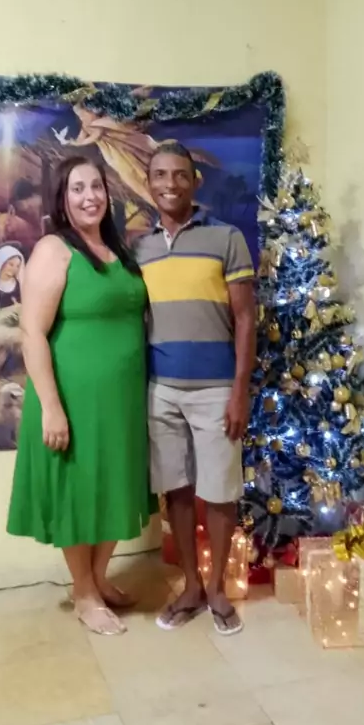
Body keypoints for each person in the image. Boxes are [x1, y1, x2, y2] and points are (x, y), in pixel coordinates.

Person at [7, 154, 153, 636]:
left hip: (121, 401)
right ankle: (85, 592)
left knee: (114, 485)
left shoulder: (116, 249)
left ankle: (99, 578)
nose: (90, 196)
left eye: (96, 186)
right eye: (77, 188)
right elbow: (31, 332)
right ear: (62, 200)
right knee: (79, 492)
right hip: (73, 397)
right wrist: (51, 407)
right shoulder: (55, 249)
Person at [135, 141, 256, 636]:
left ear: (195, 181)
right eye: (160, 175)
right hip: (161, 390)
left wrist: (239, 390)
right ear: (148, 183)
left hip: (216, 389)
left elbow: (245, 318)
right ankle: (190, 586)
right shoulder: (139, 249)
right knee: (178, 490)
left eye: (180, 174)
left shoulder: (227, 238)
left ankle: (218, 590)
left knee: (220, 492)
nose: (170, 184)